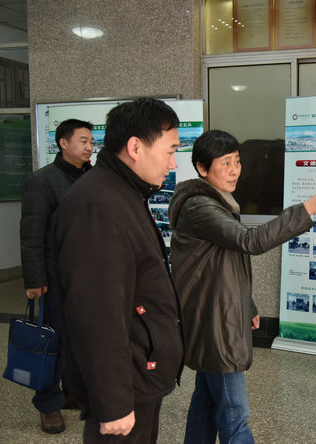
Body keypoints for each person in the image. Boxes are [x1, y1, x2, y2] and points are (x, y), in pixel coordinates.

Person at [168, 129, 316, 444]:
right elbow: (250, 242)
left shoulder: (218, 202)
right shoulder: (200, 207)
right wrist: (306, 210)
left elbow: (226, 264)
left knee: (206, 403)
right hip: (215, 322)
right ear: (202, 168)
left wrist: (247, 305)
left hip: (216, 314)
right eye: (225, 163)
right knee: (234, 414)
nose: (235, 170)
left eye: (237, 161)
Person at [52, 98, 184, 443]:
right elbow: (95, 314)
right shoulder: (97, 205)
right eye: (170, 151)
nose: (172, 163)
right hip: (125, 384)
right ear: (135, 147)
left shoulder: (124, 193)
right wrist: (113, 403)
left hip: (139, 370)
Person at [20, 118, 93, 434]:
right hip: (55, 277)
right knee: (53, 340)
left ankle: (71, 391)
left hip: (88, 276)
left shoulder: (92, 178)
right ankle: (48, 404)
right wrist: (34, 279)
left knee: (80, 340)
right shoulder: (42, 181)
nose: (89, 147)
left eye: (91, 142)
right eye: (83, 141)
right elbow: (31, 233)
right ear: (63, 143)